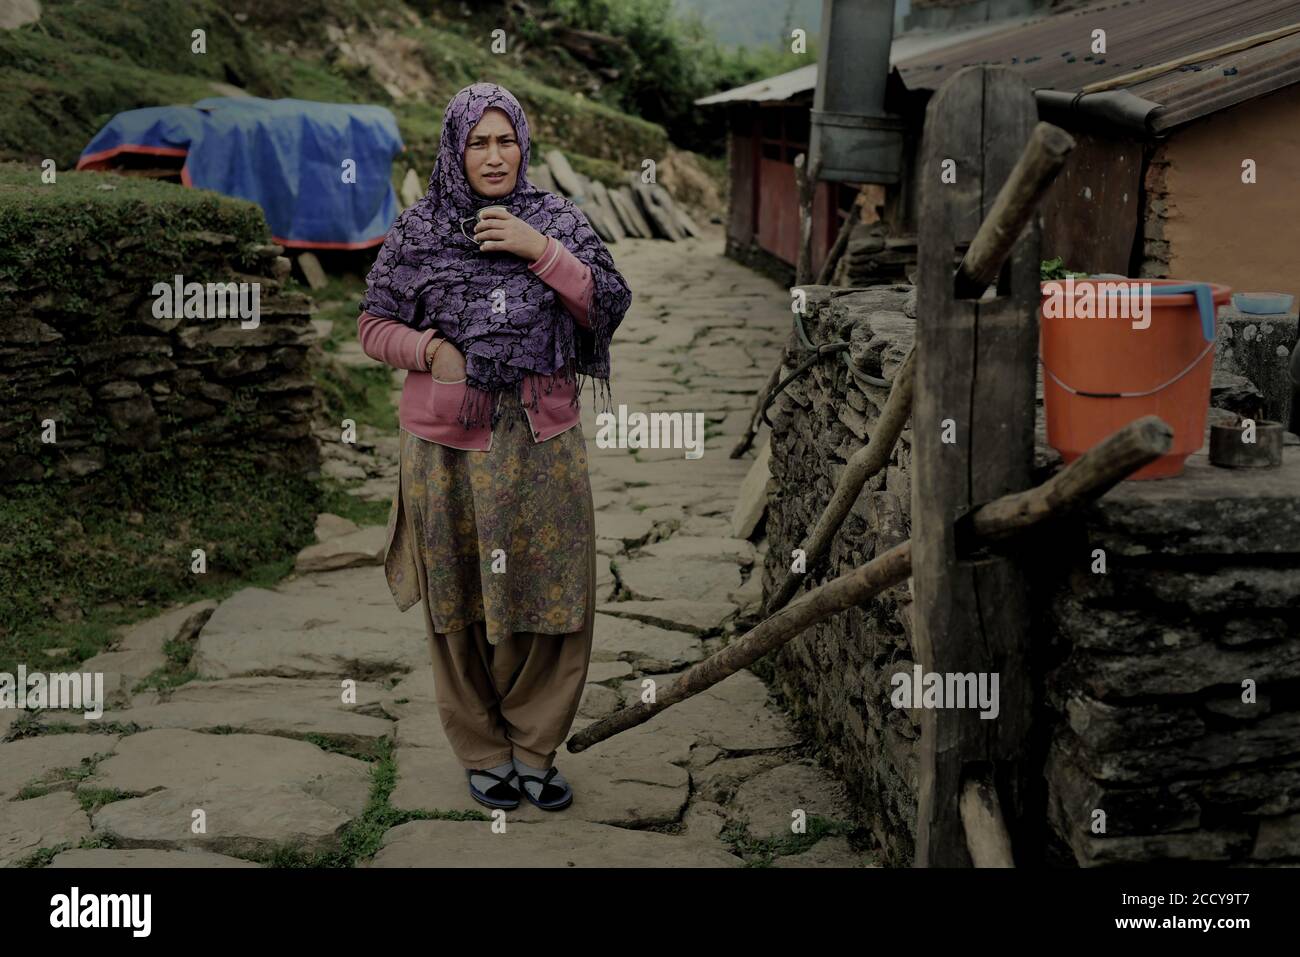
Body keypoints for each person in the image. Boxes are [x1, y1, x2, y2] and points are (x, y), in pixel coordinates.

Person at [356, 82, 632, 812]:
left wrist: (540, 249)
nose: (493, 154)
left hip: (542, 437)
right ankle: (481, 748)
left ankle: (536, 746)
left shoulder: (558, 219)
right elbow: (373, 325)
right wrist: (429, 349)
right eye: (478, 141)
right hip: (447, 443)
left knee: (554, 590)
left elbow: (607, 303)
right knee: (458, 599)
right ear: (454, 148)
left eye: (505, 139)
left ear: (525, 146)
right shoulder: (420, 229)